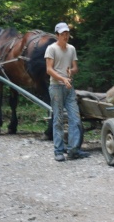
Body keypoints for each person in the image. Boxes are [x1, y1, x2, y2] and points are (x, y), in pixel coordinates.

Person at [44, 22, 89, 162]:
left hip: (69, 88)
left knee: (75, 119)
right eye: (63, 34)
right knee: (57, 119)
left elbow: (76, 68)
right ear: (57, 35)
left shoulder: (72, 49)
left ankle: (73, 150)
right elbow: (49, 69)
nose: (65, 36)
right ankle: (58, 151)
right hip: (56, 87)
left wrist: (72, 71)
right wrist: (63, 79)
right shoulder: (51, 49)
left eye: (67, 33)